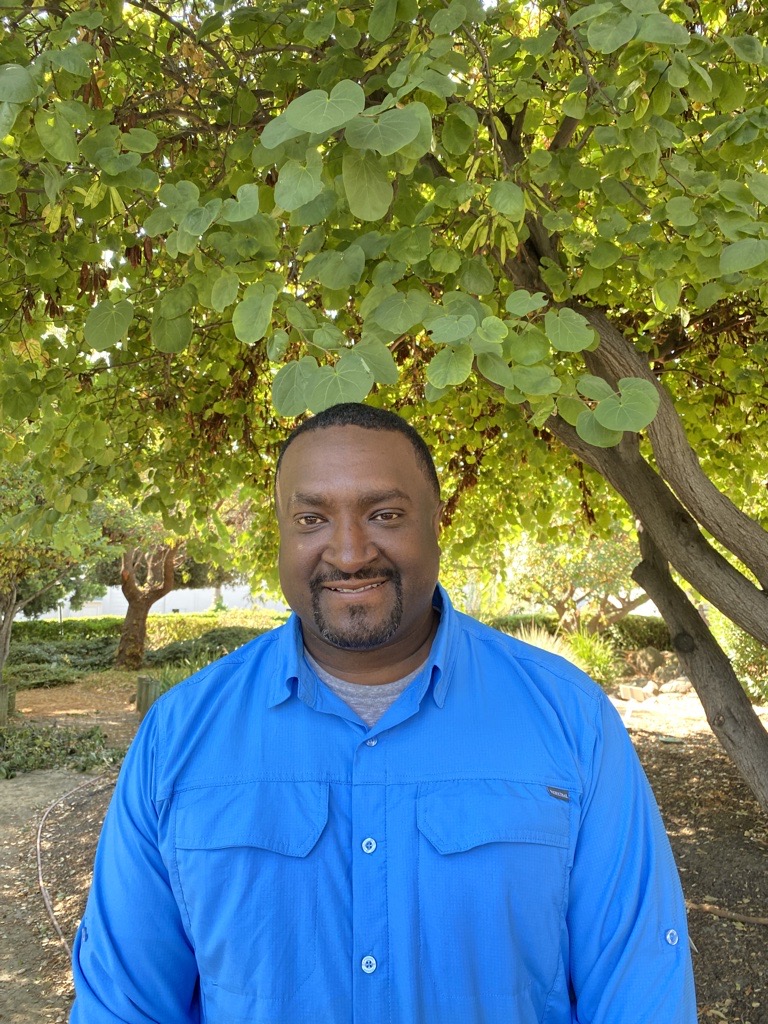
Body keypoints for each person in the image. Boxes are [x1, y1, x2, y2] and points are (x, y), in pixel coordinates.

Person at [70, 402, 696, 1023]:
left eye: (385, 514)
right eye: (312, 518)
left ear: (436, 522)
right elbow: (123, 1005)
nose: (348, 553)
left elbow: (639, 992)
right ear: (283, 533)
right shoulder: (179, 735)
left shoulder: (572, 721)